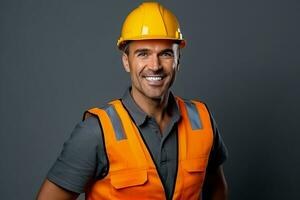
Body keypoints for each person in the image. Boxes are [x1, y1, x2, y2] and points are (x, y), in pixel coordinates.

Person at [37, 2, 228, 200]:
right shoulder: (96, 132)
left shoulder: (202, 120)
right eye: (143, 53)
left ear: (178, 60)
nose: (155, 66)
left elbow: (217, 189)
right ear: (126, 61)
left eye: (166, 54)